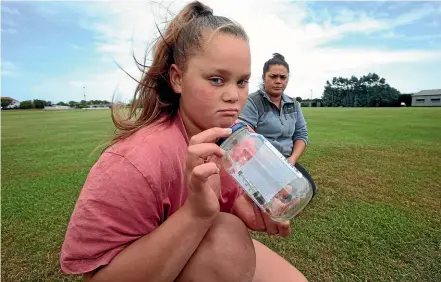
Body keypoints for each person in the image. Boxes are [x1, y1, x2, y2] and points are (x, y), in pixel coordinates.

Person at [60, 2, 308, 282]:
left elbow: (231, 196)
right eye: (217, 79)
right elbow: (97, 277)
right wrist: (196, 213)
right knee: (227, 239)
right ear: (178, 78)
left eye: (241, 82)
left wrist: (241, 205)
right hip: (151, 265)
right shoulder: (134, 161)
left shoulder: (240, 136)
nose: (233, 96)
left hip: (200, 250)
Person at [239, 53, 317, 195]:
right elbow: (245, 135)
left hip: (286, 161)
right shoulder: (252, 102)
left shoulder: (294, 104)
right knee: (281, 196)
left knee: (309, 190)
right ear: (264, 77)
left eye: (283, 77)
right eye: (273, 76)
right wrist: (270, 162)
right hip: (260, 163)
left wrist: (292, 159)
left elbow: (301, 134)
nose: (278, 81)